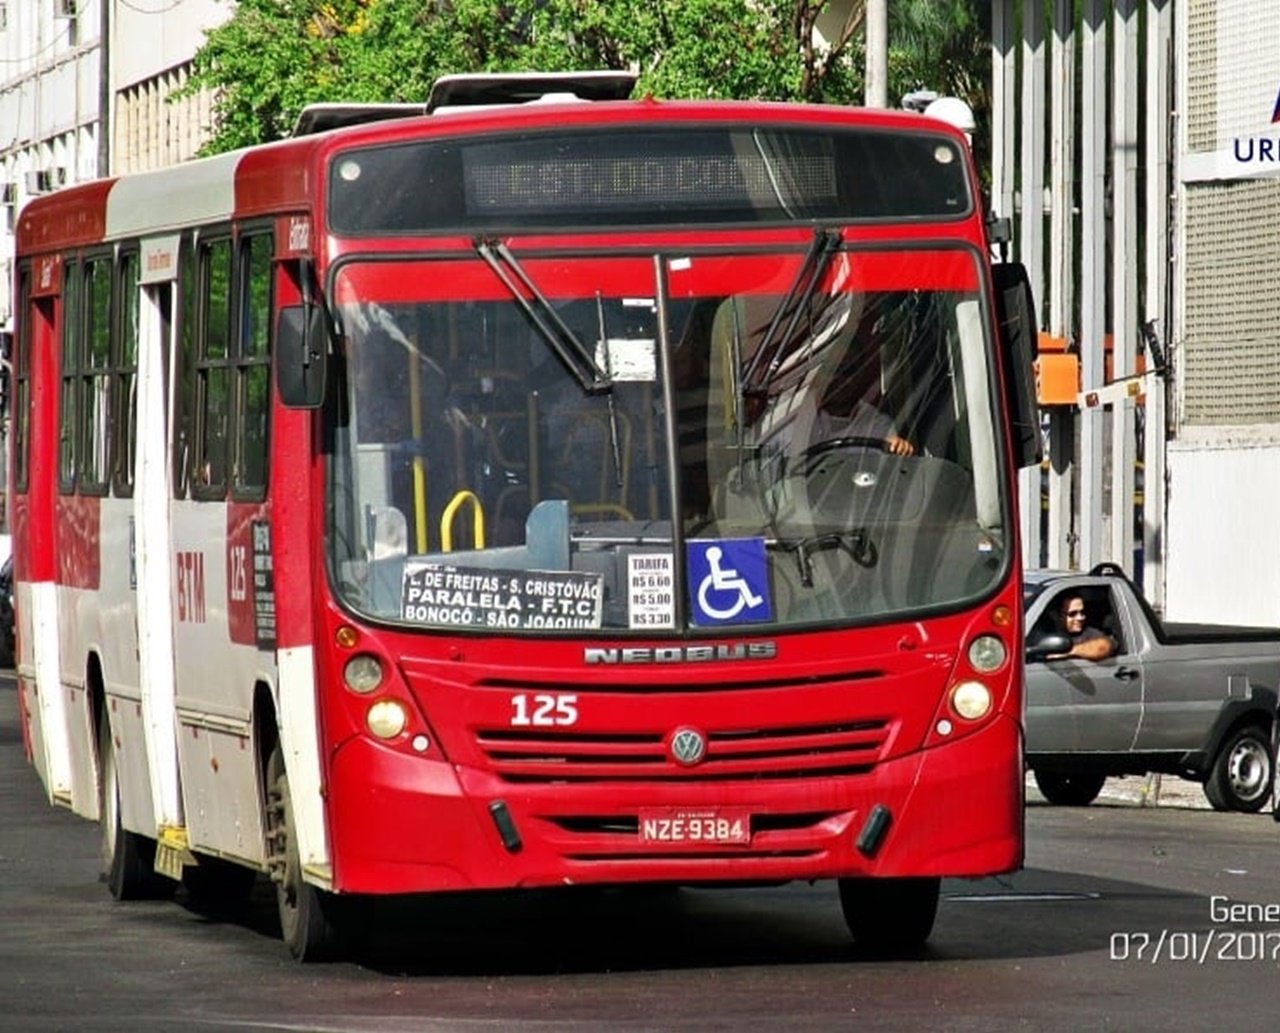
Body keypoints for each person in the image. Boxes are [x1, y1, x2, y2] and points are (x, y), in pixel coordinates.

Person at [1047, 594, 1116, 661]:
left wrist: (1070, 652)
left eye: (1082, 612)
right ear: (1055, 615)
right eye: (1072, 614)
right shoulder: (1044, 633)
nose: (1080, 618)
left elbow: (1104, 646)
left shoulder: (1091, 634)